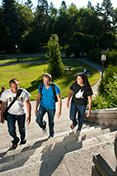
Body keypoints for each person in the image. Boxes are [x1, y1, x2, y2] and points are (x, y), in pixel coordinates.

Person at [0, 78, 31, 149]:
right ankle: (15, 139)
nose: (15, 89)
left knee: (22, 129)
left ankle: (23, 139)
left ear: (18, 85)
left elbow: (28, 103)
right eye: (13, 87)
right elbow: (3, 104)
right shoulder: (6, 93)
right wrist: (1, 115)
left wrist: (29, 115)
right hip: (11, 114)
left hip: (21, 114)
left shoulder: (23, 92)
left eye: (16, 87)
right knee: (11, 130)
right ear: (10, 86)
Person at [35, 73, 62, 138]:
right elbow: (38, 98)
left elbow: (59, 99)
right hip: (42, 106)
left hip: (51, 108)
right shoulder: (41, 86)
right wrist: (36, 108)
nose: (46, 83)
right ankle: (43, 125)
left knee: (51, 122)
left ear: (50, 79)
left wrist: (59, 110)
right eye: (44, 81)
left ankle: (51, 135)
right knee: (38, 120)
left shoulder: (55, 87)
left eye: (48, 81)